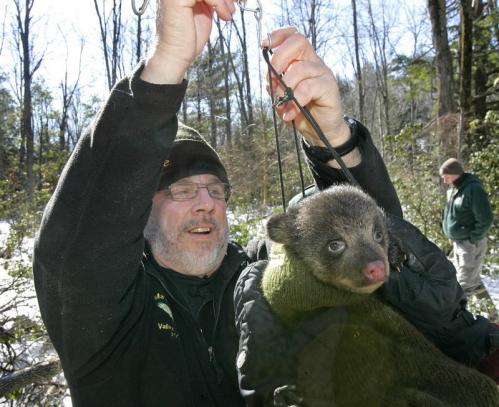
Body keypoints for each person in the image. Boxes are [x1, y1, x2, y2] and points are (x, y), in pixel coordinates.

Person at [32, 1, 497, 406]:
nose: (205, 203)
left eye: (216, 190)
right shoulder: (106, 313)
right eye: (180, 190)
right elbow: (77, 244)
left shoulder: (259, 277)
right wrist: (165, 67)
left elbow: (367, 238)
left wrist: (332, 139)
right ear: (138, 209)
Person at [440, 158, 494, 295]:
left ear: (455, 173)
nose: (444, 181)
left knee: (464, 286)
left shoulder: (473, 189)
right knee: (471, 282)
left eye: (446, 177)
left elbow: (485, 219)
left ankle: (460, 315)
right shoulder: (455, 189)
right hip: (459, 243)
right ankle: (491, 314)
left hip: (470, 244)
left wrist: (473, 238)